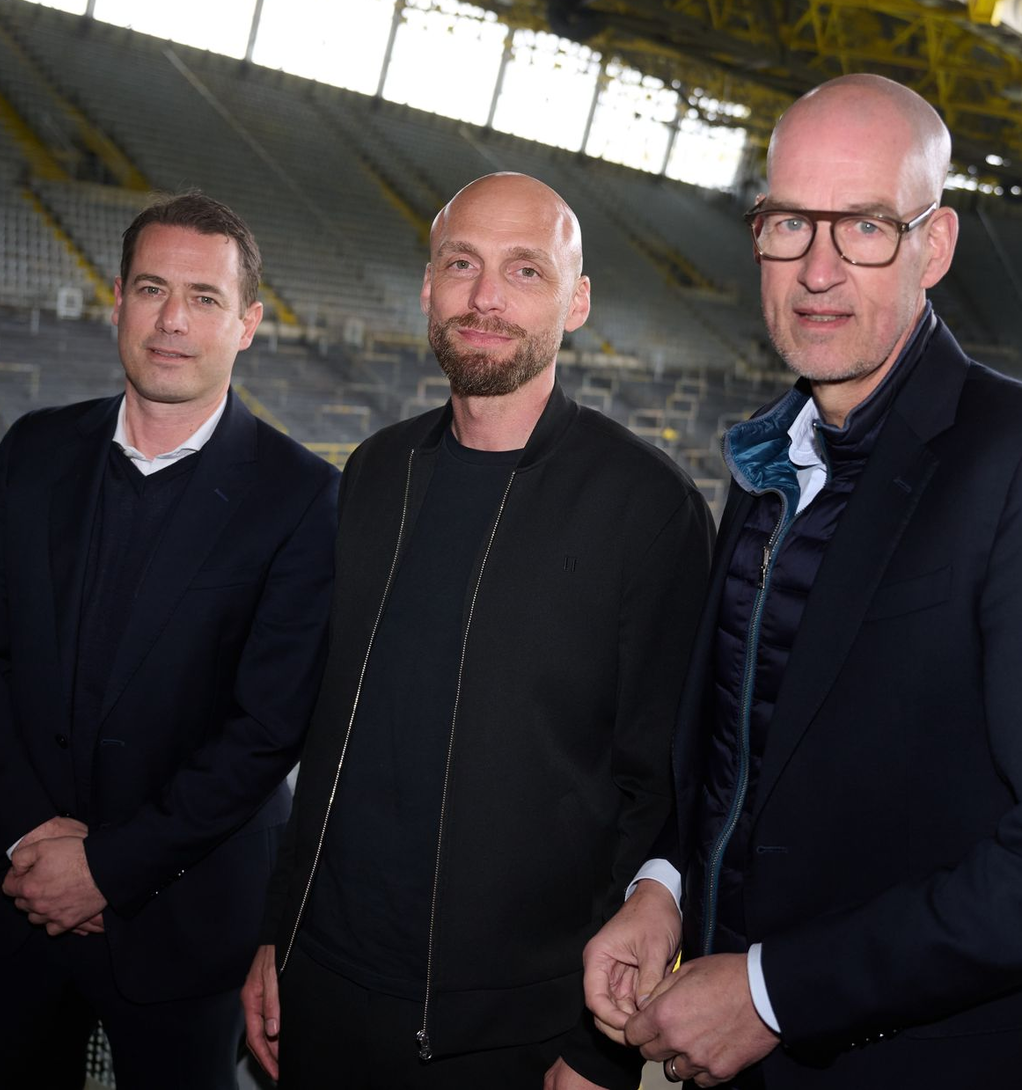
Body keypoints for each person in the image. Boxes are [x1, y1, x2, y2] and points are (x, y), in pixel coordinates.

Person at [582, 74, 1022, 1090]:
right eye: (788, 224)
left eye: (862, 227)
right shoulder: (768, 460)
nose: (816, 269)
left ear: (932, 246)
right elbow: (740, 754)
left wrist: (773, 990)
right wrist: (664, 886)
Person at [241, 171, 714, 1090]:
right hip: (326, 994)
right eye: (462, 264)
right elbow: (331, 739)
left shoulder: (646, 506)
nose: (485, 296)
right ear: (428, 289)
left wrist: (598, 1046)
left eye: (525, 271)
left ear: (576, 303)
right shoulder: (377, 472)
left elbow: (662, 789)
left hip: (519, 1035)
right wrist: (278, 932)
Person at [0, 192, 339, 1089]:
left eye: (206, 298)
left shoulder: (303, 497)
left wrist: (106, 867)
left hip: (186, 923)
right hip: (14, 903)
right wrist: (26, 836)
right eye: (151, 288)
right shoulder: (32, 449)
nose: (174, 320)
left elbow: (265, 731)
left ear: (248, 323)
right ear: (118, 303)